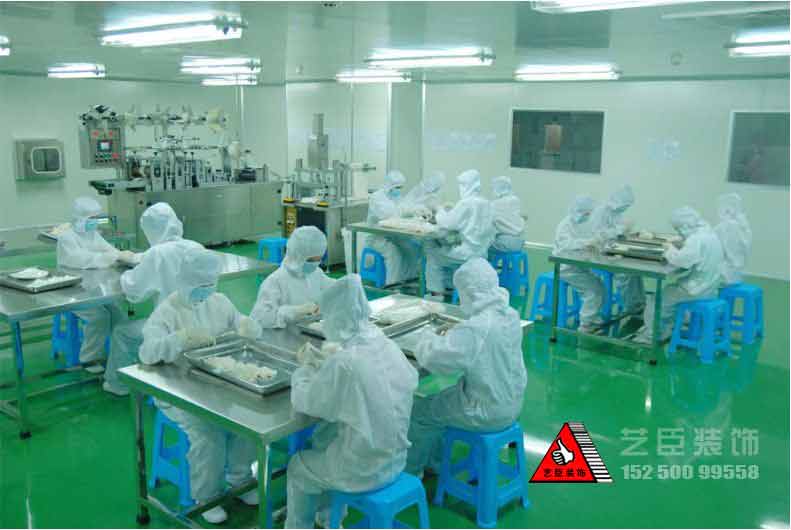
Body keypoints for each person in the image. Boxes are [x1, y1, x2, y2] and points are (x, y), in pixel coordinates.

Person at [139, 247, 261, 524]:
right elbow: (146, 353)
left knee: (245, 422)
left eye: (210, 283)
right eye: (200, 285)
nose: (206, 290)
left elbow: (238, 322)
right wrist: (179, 339)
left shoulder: (219, 301)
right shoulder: (167, 311)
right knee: (209, 433)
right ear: (184, 282)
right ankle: (206, 496)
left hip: (216, 384)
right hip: (177, 390)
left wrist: (247, 325)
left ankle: (240, 479)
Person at [285, 275, 418, 529]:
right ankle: (329, 518)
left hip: (362, 471)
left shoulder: (346, 362)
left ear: (337, 318)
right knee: (326, 439)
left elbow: (307, 402)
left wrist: (304, 370)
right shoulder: (386, 344)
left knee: (298, 466)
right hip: (396, 458)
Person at [406, 258, 527, 476]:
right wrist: (459, 333)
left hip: (486, 411)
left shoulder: (477, 329)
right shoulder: (509, 314)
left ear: (469, 292)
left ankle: (413, 473)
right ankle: (436, 461)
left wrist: (427, 335)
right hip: (512, 403)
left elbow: (434, 359)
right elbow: (480, 345)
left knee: (419, 411)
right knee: (442, 401)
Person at [103, 203, 203, 396]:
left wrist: (125, 274)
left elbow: (134, 290)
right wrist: (139, 258)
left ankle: (118, 385)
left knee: (122, 332)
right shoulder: (195, 247)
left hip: (172, 329)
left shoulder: (156, 254)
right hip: (202, 323)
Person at [634, 207, 724, 344]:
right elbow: (695, 253)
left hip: (696, 289)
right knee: (670, 295)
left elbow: (682, 261)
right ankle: (667, 327)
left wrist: (668, 248)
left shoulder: (696, 239)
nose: (679, 232)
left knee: (657, 300)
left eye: (678, 229)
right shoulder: (709, 233)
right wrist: (681, 243)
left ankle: (652, 334)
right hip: (711, 286)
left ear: (685, 225)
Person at [56, 197, 124, 373]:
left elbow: (108, 249)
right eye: (92, 218)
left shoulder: (92, 234)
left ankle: (119, 354)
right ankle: (89, 359)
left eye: (97, 217)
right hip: (73, 291)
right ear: (80, 218)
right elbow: (80, 259)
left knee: (118, 314)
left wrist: (122, 255)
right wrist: (107, 257)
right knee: (99, 317)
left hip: (92, 287)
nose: (95, 222)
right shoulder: (66, 237)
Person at [250, 226, 335, 336]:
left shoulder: (315, 273)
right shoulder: (275, 281)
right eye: (310, 260)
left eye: (318, 260)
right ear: (296, 256)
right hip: (284, 337)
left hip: (309, 335)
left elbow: (332, 288)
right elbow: (260, 318)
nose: (315, 264)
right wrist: (295, 311)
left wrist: (347, 285)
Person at [424, 169, 495, 296]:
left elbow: (448, 223)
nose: (460, 188)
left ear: (469, 185)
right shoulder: (486, 203)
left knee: (433, 254)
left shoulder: (466, 203)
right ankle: (450, 286)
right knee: (446, 249)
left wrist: (439, 209)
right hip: (481, 253)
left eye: (462, 185)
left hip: (466, 254)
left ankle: (436, 293)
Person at [590, 184, 645, 316]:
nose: (624, 209)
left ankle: (639, 303)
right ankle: (632, 307)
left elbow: (617, 232)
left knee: (636, 270)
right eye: (624, 206)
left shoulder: (616, 213)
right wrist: (618, 230)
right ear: (616, 201)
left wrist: (626, 233)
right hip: (598, 255)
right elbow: (597, 237)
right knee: (625, 273)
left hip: (611, 251)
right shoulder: (600, 213)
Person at [554, 195, 607, 332]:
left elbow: (586, 239)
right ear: (578, 211)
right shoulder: (565, 225)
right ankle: (586, 324)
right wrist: (586, 243)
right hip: (567, 269)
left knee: (600, 286)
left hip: (579, 267)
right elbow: (566, 245)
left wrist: (594, 242)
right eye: (586, 214)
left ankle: (593, 317)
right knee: (594, 290)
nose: (588, 216)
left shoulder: (579, 224)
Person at [363, 170, 420, 286]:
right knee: (394, 253)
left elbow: (404, 207)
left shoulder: (396, 196)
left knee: (412, 249)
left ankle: (409, 279)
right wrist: (404, 212)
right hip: (377, 237)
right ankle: (392, 285)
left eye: (400, 187)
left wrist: (416, 210)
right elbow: (388, 216)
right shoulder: (377, 197)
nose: (399, 190)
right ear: (389, 185)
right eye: (397, 187)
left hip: (393, 235)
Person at [714, 193, 752, 285]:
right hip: (737, 268)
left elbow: (713, 238)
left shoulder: (728, 226)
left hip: (728, 270)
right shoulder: (742, 225)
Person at [491, 175, 526, 252]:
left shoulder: (494, 204)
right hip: (520, 242)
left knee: (485, 245)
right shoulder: (516, 200)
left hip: (505, 243)